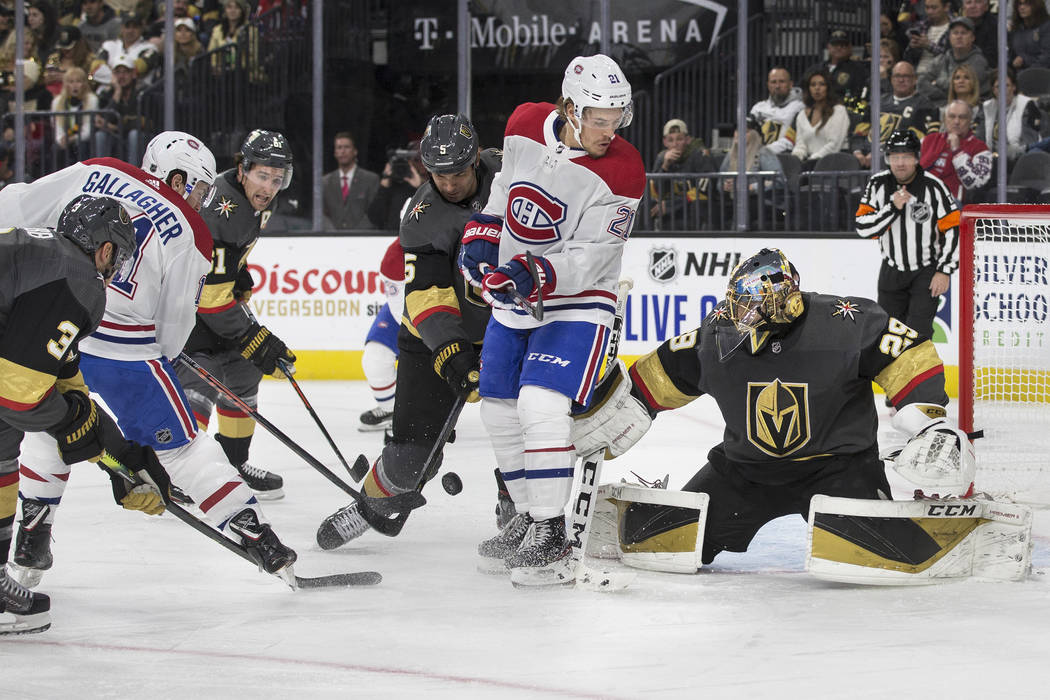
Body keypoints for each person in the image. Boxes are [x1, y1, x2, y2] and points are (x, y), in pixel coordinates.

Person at [0, 133, 297, 589]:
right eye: (197, 187)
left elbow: (14, 207)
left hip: (61, 325)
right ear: (177, 177)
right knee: (182, 449)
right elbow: (174, 331)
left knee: (51, 427)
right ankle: (258, 537)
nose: (200, 198)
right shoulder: (193, 231)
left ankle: (32, 540)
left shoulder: (97, 168)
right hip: (129, 354)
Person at [569, 248, 968, 572]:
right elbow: (656, 378)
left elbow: (909, 356)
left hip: (838, 467)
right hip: (745, 471)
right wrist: (619, 407)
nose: (737, 316)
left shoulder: (844, 323)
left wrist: (927, 418)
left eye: (750, 306)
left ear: (782, 304)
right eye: (737, 304)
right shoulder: (716, 337)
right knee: (658, 541)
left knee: (880, 555)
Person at [460, 54, 644, 587]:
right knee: (496, 408)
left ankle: (551, 530)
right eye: (599, 119)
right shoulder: (522, 124)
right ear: (569, 108)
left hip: (580, 300)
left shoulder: (625, 168)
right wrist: (484, 235)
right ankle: (525, 517)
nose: (609, 131)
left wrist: (529, 269)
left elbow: (594, 254)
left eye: (617, 119)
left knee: (540, 404)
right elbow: (503, 191)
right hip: (516, 294)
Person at [317, 113, 503, 549]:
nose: (450, 184)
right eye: (439, 175)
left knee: (528, 425)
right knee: (409, 457)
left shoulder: (508, 171)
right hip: (434, 341)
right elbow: (426, 295)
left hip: (509, 329)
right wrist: (453, 352)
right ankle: (369, 505)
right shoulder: (420, 218)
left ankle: (522, 510)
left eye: (458, 172)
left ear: (475, 157)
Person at [1, 195, 171, 635]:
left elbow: (64, 379)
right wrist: (72, 425)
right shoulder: (79, 280)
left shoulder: (45, 256)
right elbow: (19, 396)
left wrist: (119, 457)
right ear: (106, 249)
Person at [173, 129, 297, 499]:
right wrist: (252, 337)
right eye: (262, 175)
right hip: (183, 309)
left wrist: (237, 272)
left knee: (244, 370)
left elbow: (221, 262)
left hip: (205, 300)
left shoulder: (253, 200)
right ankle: (180, 470)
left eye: (277, 179)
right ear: (242, 169)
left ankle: (232, 464)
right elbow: (210, 299)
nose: (269, 186)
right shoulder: (221, 208)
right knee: (201, 379)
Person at [856, 129, 960, 339]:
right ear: (888, 159)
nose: (900, 163)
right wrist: (892, 208)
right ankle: (893, 374)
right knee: (887, 335)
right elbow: (863, 227)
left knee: (918, 336)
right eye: (895, 157)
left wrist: (944, 270)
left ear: (917, 158)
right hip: (891, 270)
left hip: (926, 272)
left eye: (906, 157)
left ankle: (920, 374)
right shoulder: (878, 184)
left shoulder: (934, 187)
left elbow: (953, 227)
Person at [851, 61, 940, 168]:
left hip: (897, 162)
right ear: (891, 79)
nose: (901, 80)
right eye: (897, 76)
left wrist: (880, 153)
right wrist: (857, 152)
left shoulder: (924, 106)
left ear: (915, 79)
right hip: (865, 158)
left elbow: (915, 140)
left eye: (906, 76)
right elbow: (859, 132)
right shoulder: (877, 102)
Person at [720, 66, 804, 179]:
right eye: (773, 82)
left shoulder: (800, 107)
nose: (777, 86)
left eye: (782, 82)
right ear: (768, 85)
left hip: (783, 157)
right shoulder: (758, 108)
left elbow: (791, 140)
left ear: (791, 84)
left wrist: (763, 152)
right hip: (756, 158)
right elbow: (747, 133)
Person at [357, 237, 404, 432]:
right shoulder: (395, 255)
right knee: (375, 358)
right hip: (404, 302)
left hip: (442, 301)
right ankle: (391, 409)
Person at [920, 99, 992, 203]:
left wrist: (957, 151)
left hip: (951, 202)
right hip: (921, 198)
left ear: (970, 120)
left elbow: (975, 183)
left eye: (962, 117)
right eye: (952, 116)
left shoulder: (980, 148)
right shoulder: (928, 140)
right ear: (945, 119)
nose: (956, 122)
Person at [648, 118, 715, 229]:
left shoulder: (699, 154)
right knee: (647, 205)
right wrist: (665, 166)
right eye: (670, 140)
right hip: (671, 206)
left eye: (679, 139)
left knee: (697, 204)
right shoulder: (662, 157)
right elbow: (656, 192)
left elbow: (704, 190)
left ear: (687, 140)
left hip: (692, 206)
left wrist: (671, 205)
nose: (675, 144)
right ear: (665, 142)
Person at [980, 66, 1041, 169]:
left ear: (1014, 87)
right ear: (993, 90)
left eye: (1006, 86)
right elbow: (979, 138)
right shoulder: (986, 107)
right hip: (991, 161)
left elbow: (1030, 142)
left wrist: (1008, 155)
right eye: (998, 87)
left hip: (1020, 160)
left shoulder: (1027, 105)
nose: (1003, 90)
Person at [919, 17, 990, 106]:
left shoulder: (979, 61)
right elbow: (921, 82)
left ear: (972, 38)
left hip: (969, 108)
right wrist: (943, 95)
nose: (959, 36)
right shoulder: (942, 59)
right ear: (950, 37)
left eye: (963, 33)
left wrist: (937, 83)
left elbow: (963, 89)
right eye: (955, 33)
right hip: (940, 106)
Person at [790, 68, 850, 169]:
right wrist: (795, 160)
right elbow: (801, 145)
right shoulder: (801, 115)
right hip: (809, 167)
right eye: (813, 85)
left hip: (834, 166)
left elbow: (834, 144)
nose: (817, 88)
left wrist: (813, 161)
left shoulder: (839, 111)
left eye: (822, 84)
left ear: (828, 88)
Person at [322, 131, 379, 230]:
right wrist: (332, 234)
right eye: (339, 148)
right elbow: (321, 213)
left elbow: (374, 213)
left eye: (347, 147)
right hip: (332, 240)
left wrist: (354, 235)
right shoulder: (325, 182)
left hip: (363, 238)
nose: (343, 151)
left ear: (355, 151)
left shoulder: (370, 179)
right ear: (335, 153)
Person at [366, 142, 426, 230]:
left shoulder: (431, 185)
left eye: (422, 159)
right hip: (391, 238)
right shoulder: (390, 186)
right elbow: (374, 218)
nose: (420, 164)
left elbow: (430, 217)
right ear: (409, 161)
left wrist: (419, 188)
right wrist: (384, 186)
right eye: (416, 160)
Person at [805, 29, 870, 108]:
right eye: (835, 45)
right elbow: (803, 88)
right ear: (828, 47)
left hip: (845, 109)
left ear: (850, 47)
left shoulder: (858, 70)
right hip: (817, 108)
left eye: (843, 45)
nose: (839, 48)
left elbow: (859, 95)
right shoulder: (816, 68)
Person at [904, 0, 953, 81]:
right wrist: (913, 47)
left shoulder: (954, 28)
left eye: (934, 8)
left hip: (940, 77)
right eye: (927, 8)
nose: (930, 11)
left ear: (946, 7)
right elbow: (907, 58)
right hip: (916, 75)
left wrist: (928, 45)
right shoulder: (920, 26)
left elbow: (950, 58)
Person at [1010, 0, 1050, 71]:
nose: (1022, 7)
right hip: (1018, 75)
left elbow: (1046, 58)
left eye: (1027, 4)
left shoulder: (1046, 26)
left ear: (1037, 6)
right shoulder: (1016, 28)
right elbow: (1012, 56)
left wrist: (1024, 61)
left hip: (1043, 74)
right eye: (1019, 4)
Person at [962, 0, 998, 67]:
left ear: (986, 6)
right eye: (968, 2)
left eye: (978, 2)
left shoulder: (995, 26)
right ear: (963, 8)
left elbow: (992, 58)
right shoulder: (958, 25)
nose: (973, 6)